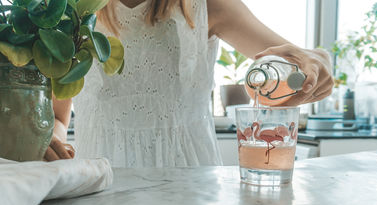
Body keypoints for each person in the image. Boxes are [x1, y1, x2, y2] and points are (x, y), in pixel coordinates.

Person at [45, 0, 334, 167]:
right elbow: (58, 116)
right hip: (100, 183)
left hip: (190, 182)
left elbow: (301, 61)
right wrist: (52, 140)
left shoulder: (207, 5)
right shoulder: (66, 11)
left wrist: (318, 64)